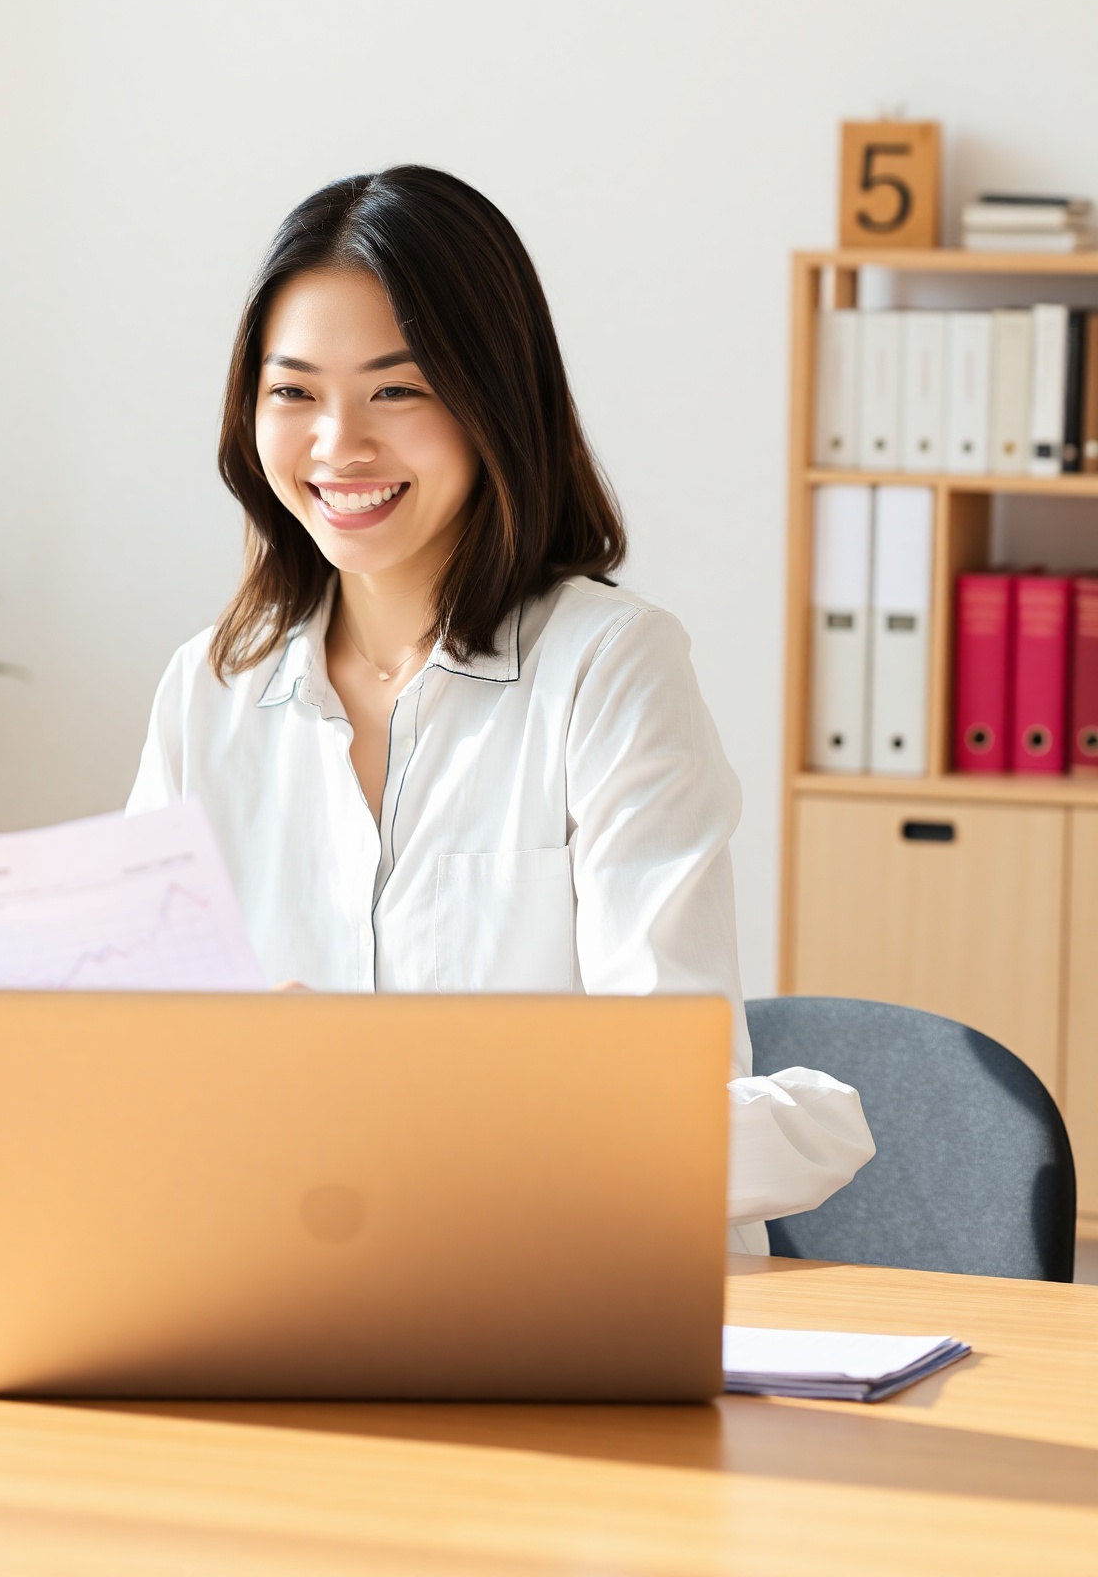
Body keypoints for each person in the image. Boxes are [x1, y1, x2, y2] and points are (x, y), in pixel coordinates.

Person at [128, 166, 872, 1252]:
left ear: (490, 399)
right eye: (293, 392)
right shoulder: (209, 687)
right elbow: (131, 1065)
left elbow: (670, 1095)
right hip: (284, 1281)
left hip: (558, 1292)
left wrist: (390, 1086)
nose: (338, 444)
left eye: (396, 388)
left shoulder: (608, 667)